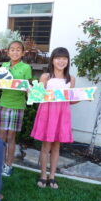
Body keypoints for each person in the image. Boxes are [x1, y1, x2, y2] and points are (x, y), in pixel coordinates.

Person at [31, 47, 77, 189]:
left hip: (62, 115)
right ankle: (43, 175)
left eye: (64, 58)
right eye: (58, 58)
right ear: (52, 60)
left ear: (68, 61)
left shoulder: (71, 79)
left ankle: (52, 176)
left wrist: (85, 97)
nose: (61, 61)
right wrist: (31, 91)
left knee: (57, 146)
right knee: (46, 146)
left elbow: (71, 100)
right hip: (47, 113)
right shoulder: (46, 77)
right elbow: (38, 97)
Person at [0, 41, 32, 176]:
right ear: (8, 52)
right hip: (4, 103)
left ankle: (8, 165)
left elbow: (28, 88)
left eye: (18, 49)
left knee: (11, 136)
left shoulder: (26, 67)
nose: (15, 52)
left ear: (23, 53)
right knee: (1, 136)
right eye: (12, 49)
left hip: (18, 105)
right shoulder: (4, 66)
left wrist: (32, 94)